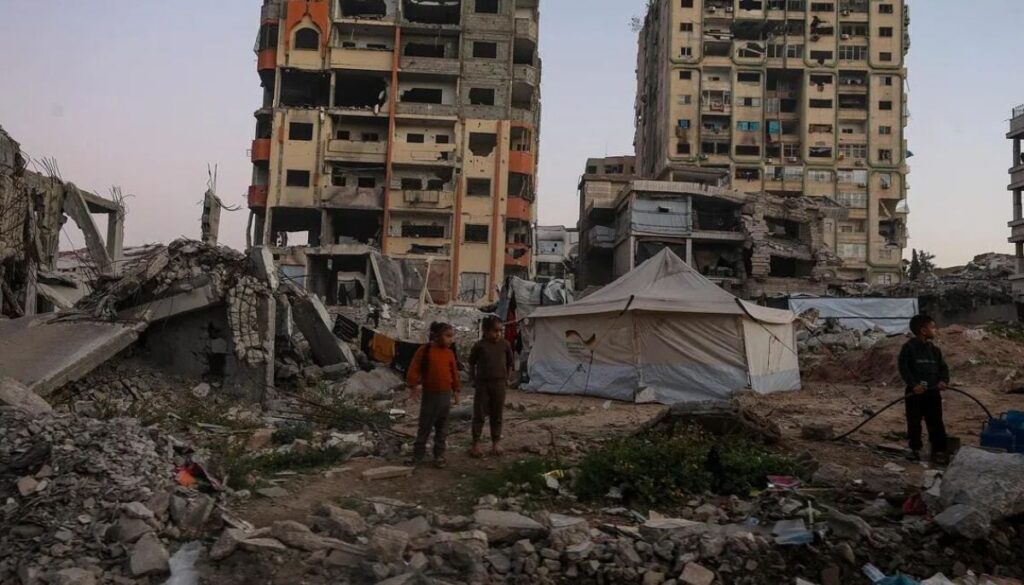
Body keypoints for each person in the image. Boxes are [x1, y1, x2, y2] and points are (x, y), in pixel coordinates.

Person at [406, 322, 461, 468]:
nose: (451, 339)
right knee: (425, 425)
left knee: (442, 427)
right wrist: (413, 385)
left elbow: (454, 373)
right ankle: (418, 455)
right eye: (448, 336)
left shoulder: (449, 353)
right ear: (436, 336)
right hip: (430, 395)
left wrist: (456, 390)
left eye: (452, 336)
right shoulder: (425, 351)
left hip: (445, 395)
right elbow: (414, 368)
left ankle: (439, 455)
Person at [898, 314, 950, 463]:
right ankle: (915, 449)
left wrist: (943, 381)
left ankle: (939, 451)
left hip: (932, 393)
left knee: (936, 422)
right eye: (933, 327)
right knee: (914, 422)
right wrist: (914, 385)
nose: (936, 330)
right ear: (923, 330)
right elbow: (904, 368)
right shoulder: (909, 348)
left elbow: (943, 368)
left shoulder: (934, 350)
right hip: (915, 393)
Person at [468, 316, 514, 458]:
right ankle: (476, 444)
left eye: (500, 330)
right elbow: (471, 363)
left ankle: (496, 443)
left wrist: (507, 378)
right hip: (483, 384)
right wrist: (473, 379)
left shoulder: (505, 344)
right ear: (485, 331)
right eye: (495, 331)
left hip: (499, 383)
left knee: (497, 414)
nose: (498, 334)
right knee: (479, 414)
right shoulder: (479, 346)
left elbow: (510, 363)